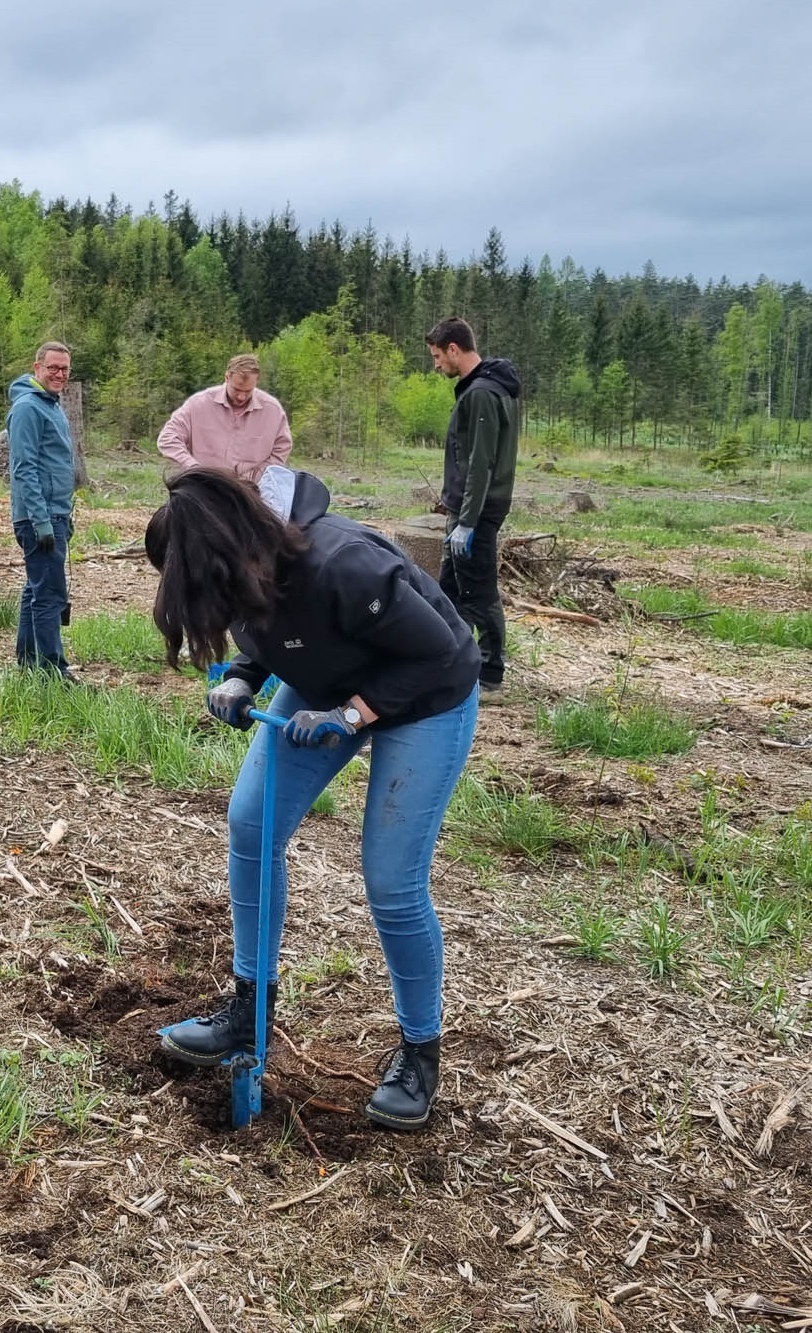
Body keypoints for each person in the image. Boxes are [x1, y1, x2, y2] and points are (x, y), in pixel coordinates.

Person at [147, 467, 480, 1131]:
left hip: (426, 691)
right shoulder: (244, 562)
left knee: (391, 879)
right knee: (250, 820)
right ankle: (248, 1010)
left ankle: (420, 1053)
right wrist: (242, 679)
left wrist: (354, 715)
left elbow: (438, 653)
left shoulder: (343, 564)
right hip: (326, 680)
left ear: (232, 555)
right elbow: (266, 630)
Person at [426, 316, 521, 693]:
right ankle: (450, 663)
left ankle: (490, 675)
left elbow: (480, 462)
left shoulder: (483, 392)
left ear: (454, 349)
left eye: (437, 356)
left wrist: (467, 521)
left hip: (478, 510)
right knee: (450, 588)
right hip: (468, 507)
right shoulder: (483, 387)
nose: (435, 365)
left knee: (480, 591)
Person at [7, 341, 77, 677]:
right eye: (52, 368)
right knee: (50, 595)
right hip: (40, 518)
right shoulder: (28, 408)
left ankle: (29, 663)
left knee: (36, 588)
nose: (59, 374)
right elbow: (24, 468)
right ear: (37, 368)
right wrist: (42, 522)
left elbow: (56, 466)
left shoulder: (52, 406)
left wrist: (66, 515)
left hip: (54, 514)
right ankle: (53, 673)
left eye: (64, 369)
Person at [155, 353, 293, 478]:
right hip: (202, 486)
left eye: (248, 391)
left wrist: (254, 477)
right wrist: (193, 467)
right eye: (237, 389)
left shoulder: (272, 411)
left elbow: (281, 449)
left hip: (251, 491)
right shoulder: (198, 404)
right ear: (226, 377)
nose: (241, 396)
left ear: (257, 382)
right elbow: (168, 438)